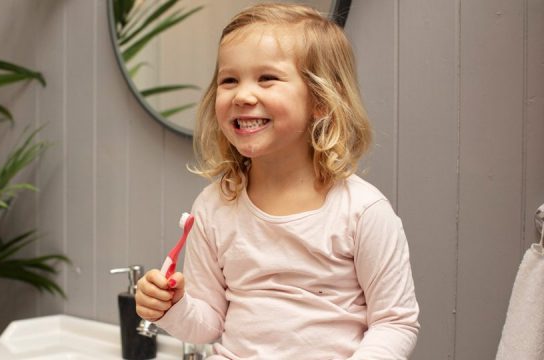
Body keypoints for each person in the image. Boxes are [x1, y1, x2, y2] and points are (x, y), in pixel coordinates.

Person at [135, 3, 420, 359]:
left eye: (267, 78)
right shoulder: (213, 207)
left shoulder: (362, 211)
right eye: (229, 80)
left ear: (321, 99)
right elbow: (210, 324)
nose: (243, 95)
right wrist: (172, 307)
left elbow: (395, 322)